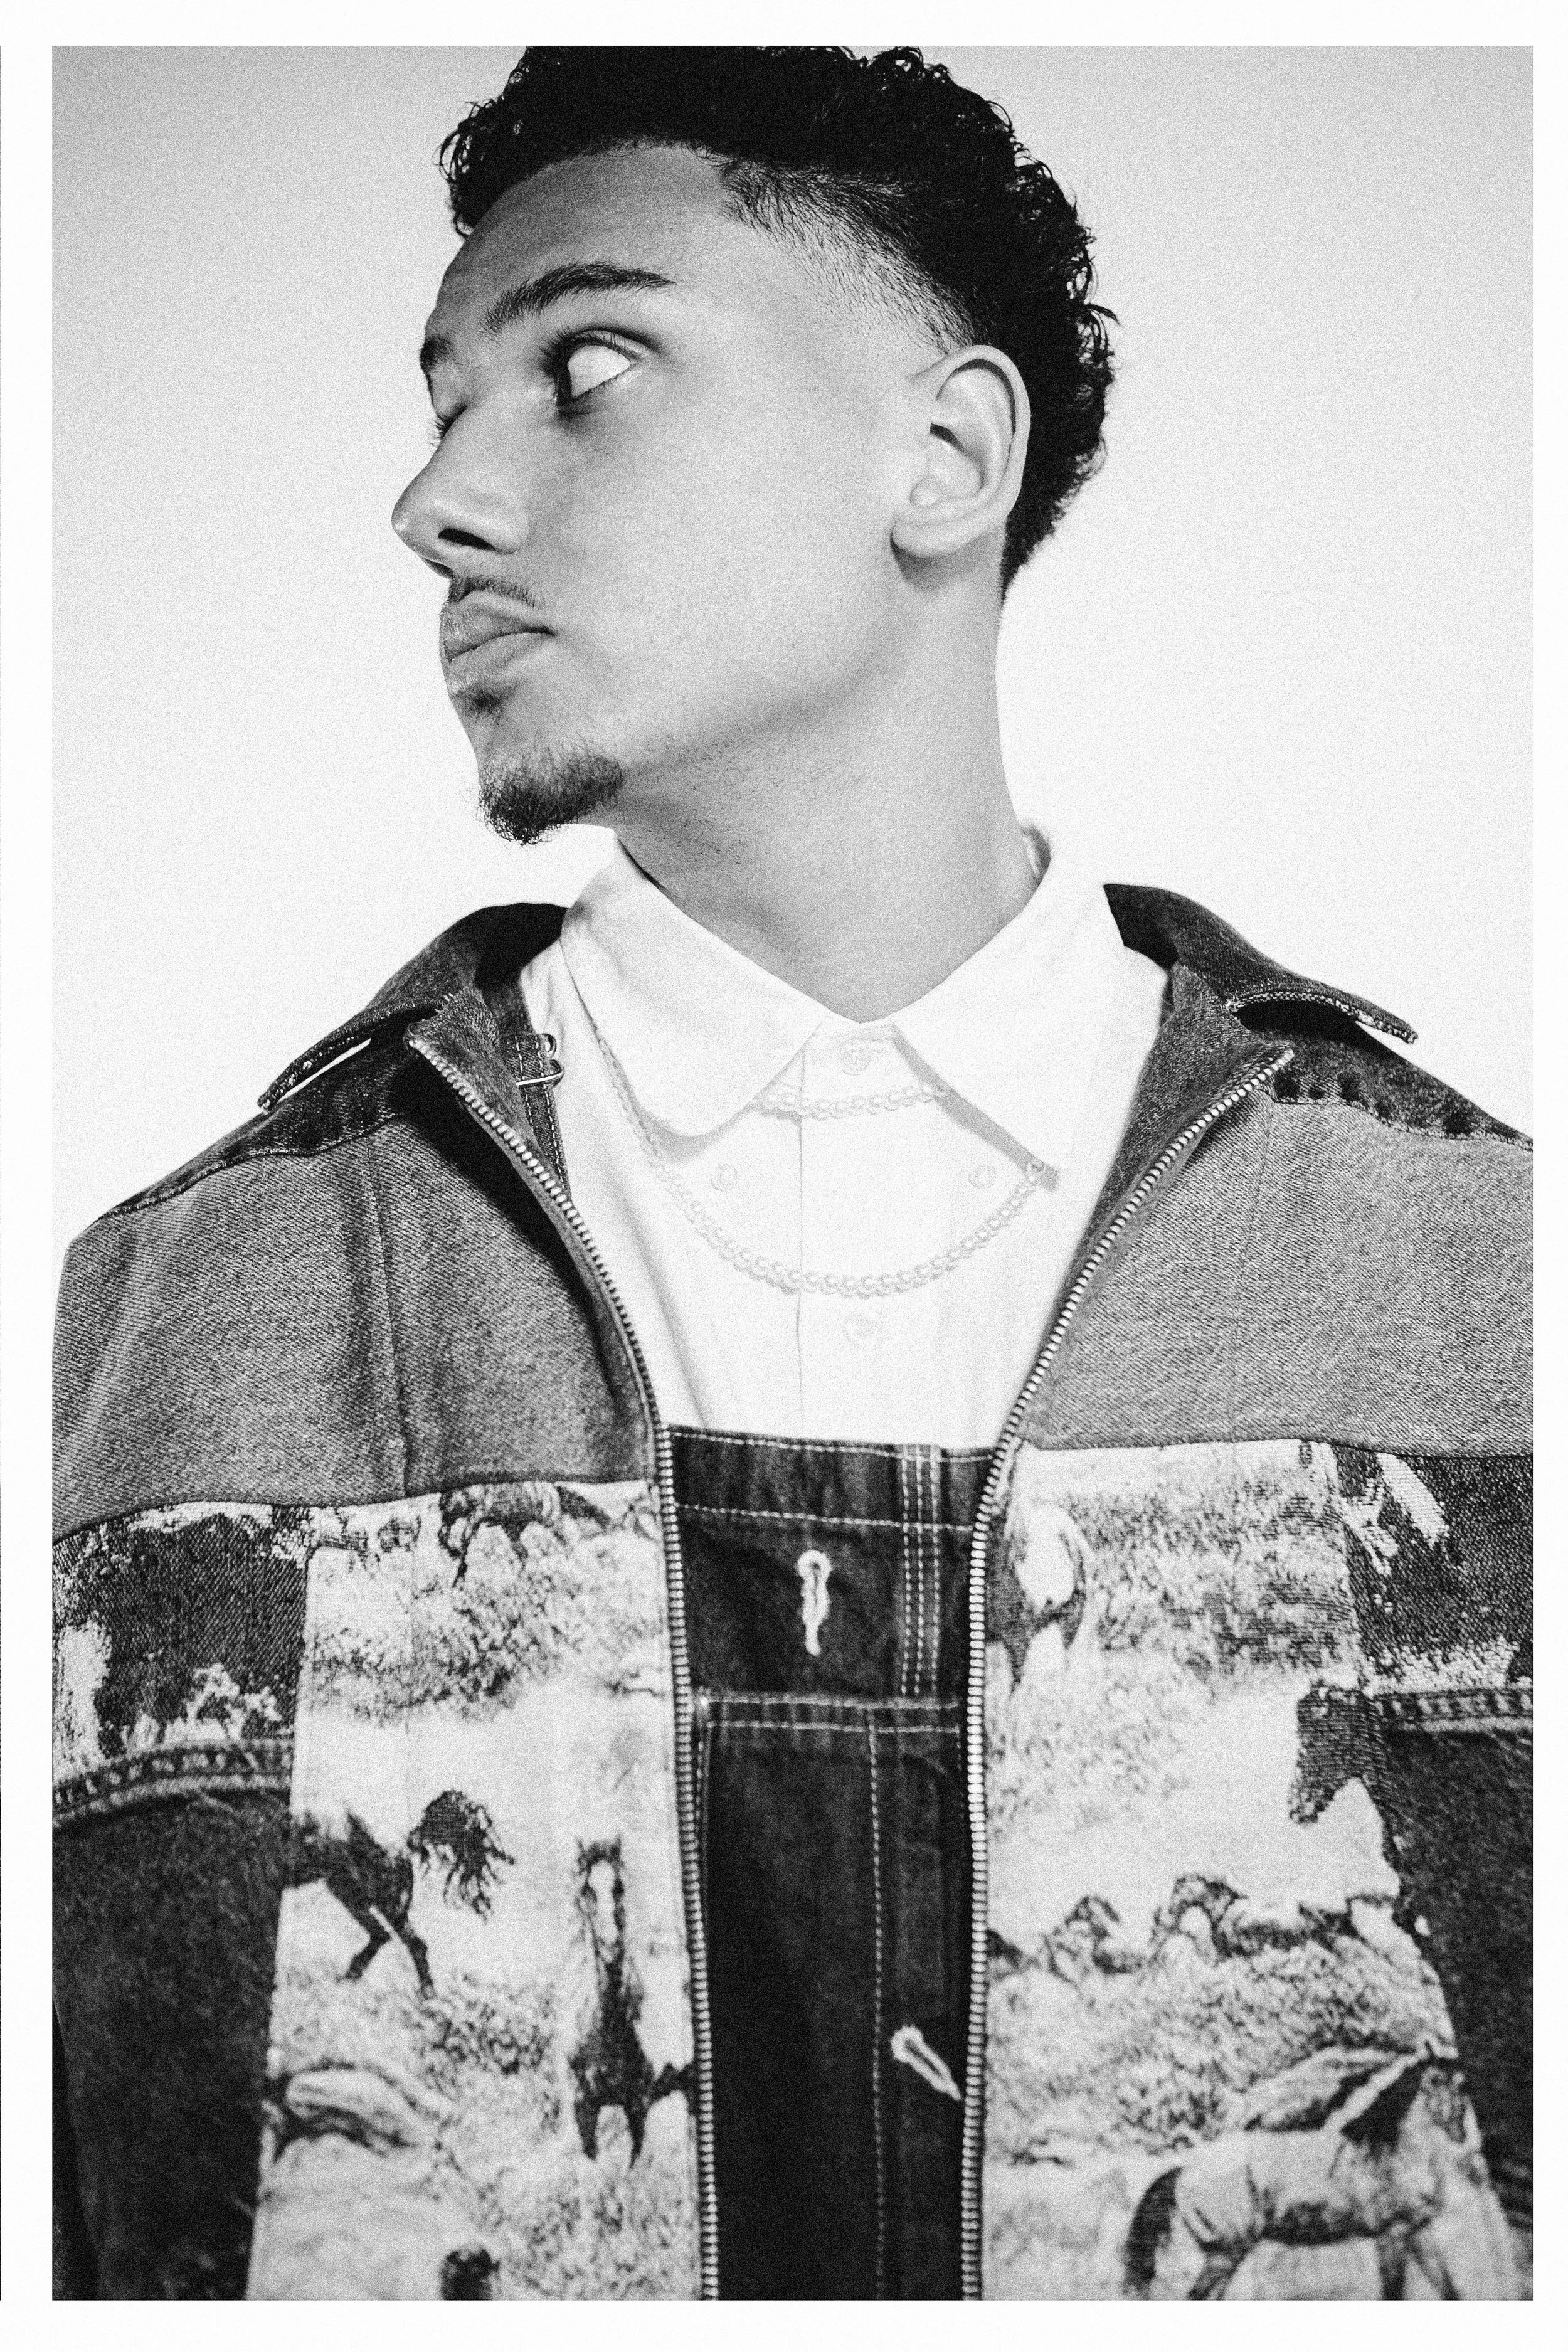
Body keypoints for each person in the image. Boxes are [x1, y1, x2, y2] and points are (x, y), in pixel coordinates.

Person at [52, 46, 1530, 2302]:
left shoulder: (1486, 1276)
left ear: (942, 458)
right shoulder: (156, 1316)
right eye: (440, 405)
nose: (435, 502)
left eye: (585, 372)